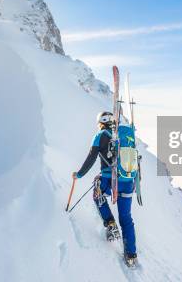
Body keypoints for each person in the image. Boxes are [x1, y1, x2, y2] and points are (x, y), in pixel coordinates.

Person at [72, 111, 137, 266]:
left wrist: (79, 175)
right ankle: (131, 256)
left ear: (101, 122)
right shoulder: (124, 135)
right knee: (126, 218)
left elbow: (91, 158)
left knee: (97, 192)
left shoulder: (100, 135)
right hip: (127, 181)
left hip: (109, 180)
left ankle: (110, 223)